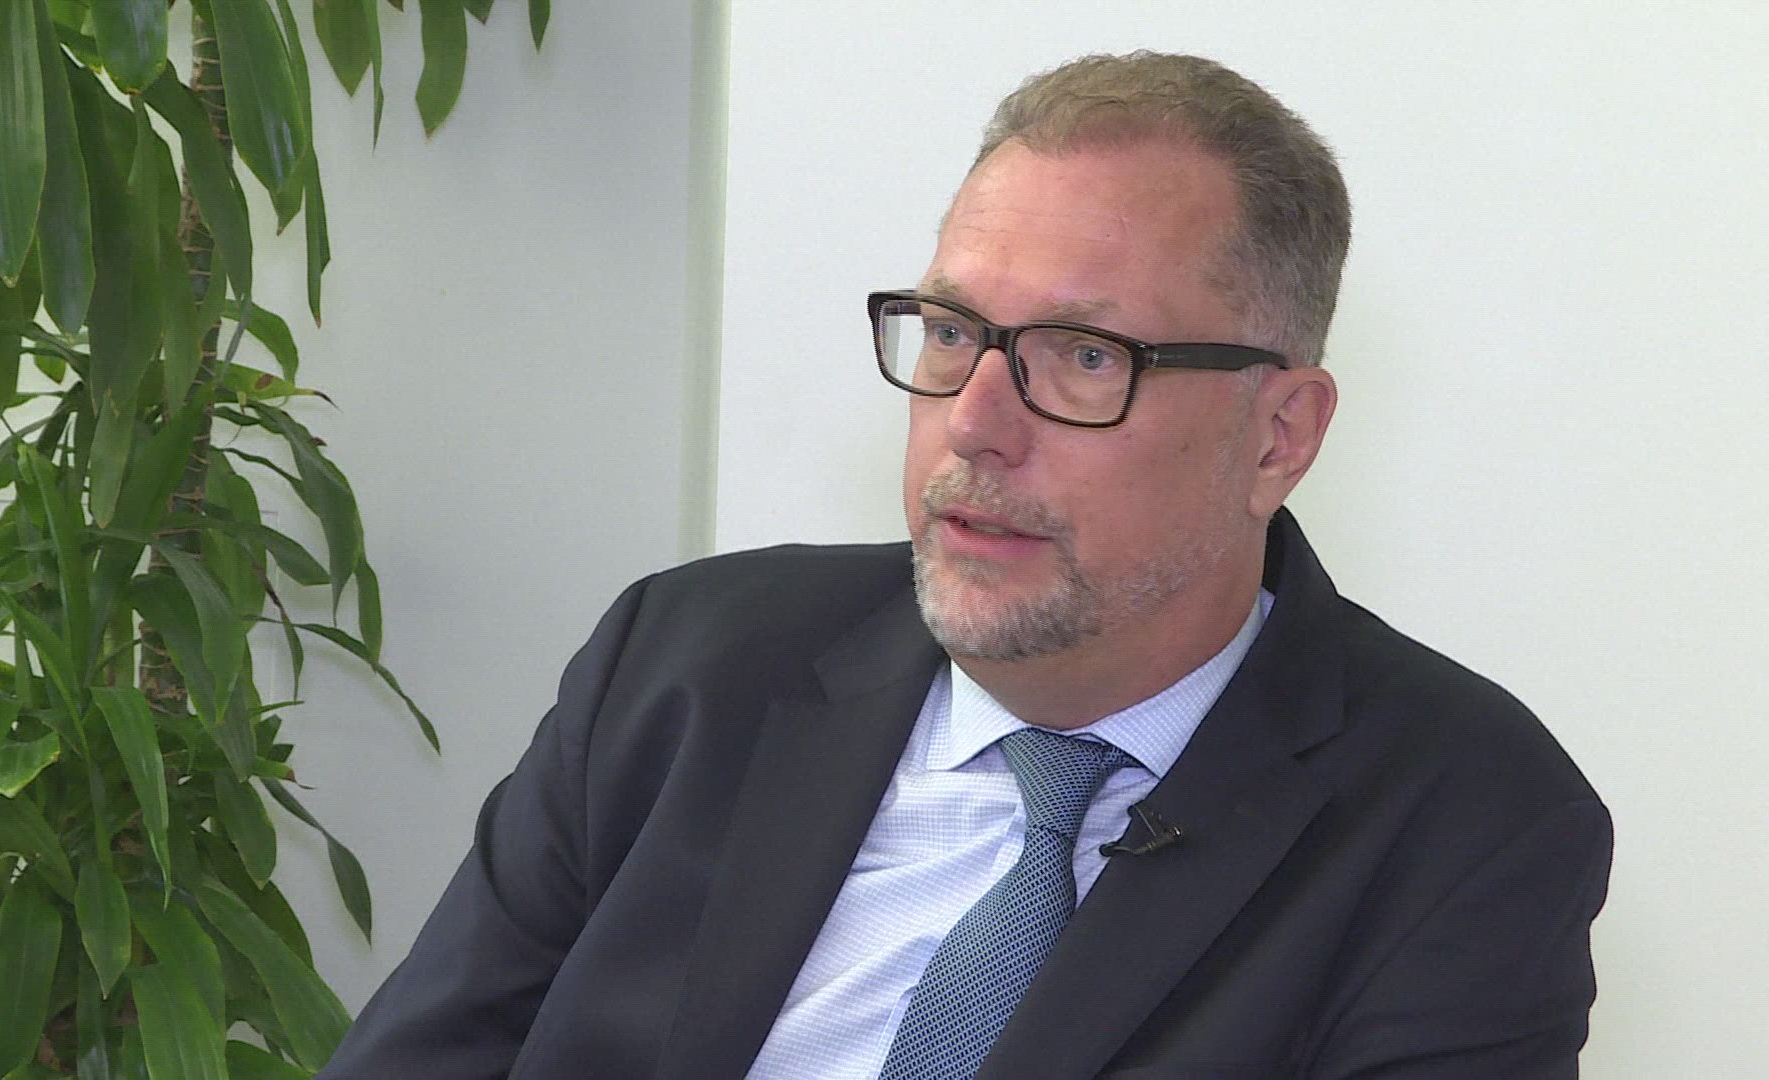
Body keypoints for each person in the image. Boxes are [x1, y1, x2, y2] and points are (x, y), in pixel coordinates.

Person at [318, 52, 1611, 1079]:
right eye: (950, 331)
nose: (975, 423)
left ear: (1278, 437)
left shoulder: (1463, 823)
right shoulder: (686, 666)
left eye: (1085, 357)